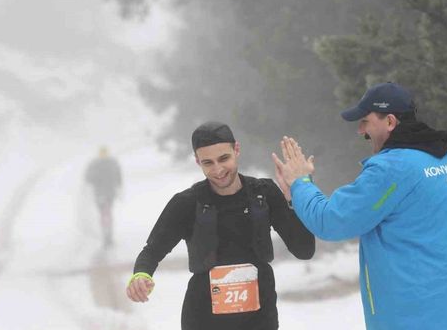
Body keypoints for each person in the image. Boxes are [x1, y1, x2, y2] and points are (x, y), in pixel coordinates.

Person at [271, 82, 447, 330]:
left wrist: (300, 183)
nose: (360, 130)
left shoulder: (391, 168)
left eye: (365, 121)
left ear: (390, 122)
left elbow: (332, 221)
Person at [126, 121, 315, 330]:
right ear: (198, 162)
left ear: (237, 149)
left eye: (223, 158)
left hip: (260, 319)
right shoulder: (187, 202)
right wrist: (141, 275)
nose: (218, 170)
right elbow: (152, 251)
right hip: (203, 319)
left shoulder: (263, 193)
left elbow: (305, 250)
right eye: (208, 163)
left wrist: (296, 198)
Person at [85, 146, 123, 247]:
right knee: (107, 213)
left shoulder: (95, 164)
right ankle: (108, 235)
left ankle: (107, 235)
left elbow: (88, 178)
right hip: (107, 193)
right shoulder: (111, 163)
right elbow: (119, 177)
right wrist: (118, 186)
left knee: (104, 213)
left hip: (101, 193)